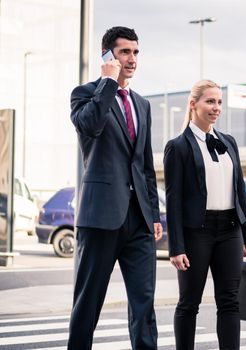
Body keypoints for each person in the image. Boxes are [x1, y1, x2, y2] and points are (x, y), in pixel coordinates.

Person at [68, 26, 162, 350]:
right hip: (100, 217)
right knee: (87, 304)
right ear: (108, 56)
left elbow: (145, 165)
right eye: (125, 52)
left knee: (144, 305)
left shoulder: (142, 104)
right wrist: (108, 83)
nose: (132, 59)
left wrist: (155, 214)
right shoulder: (84, 94)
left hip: (138, 221)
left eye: (136, 52)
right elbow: (91, 125)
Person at [163, 79, 246, 350]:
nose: (216, 108)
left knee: (230, 301)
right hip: (197, 233)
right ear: (193, 105)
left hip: (230, 230)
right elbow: (174, 201)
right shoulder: (178, 146)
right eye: (210, 101)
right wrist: (176, 247)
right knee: (189, 303)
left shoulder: (229, 142)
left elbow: (240, 192)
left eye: (219, 102)